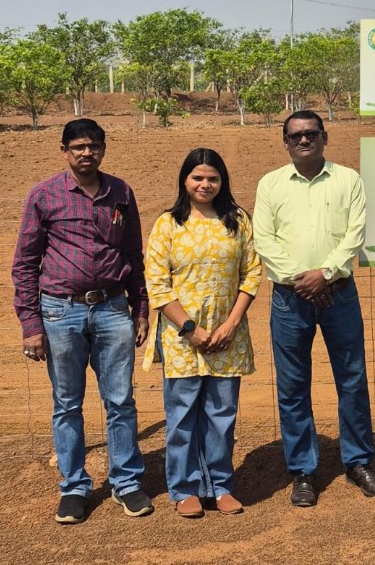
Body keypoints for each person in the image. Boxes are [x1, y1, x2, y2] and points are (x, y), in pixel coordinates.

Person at [11, 118, 153, 524]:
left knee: (120, 401)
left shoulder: (121, 192)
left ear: (103, 149)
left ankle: (126, 482)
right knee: (67, 404)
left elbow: (133, 254)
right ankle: (74, 486)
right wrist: (31, 325)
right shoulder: (44, 195)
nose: (86, 153)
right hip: (60, 312)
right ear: (64, 151)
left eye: (93, 146)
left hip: (113, 309)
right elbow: (25, 263)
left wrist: (141, 308)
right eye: (78, 147)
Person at [253, 110, 375, 507]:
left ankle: (359, 462)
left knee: (352, 379)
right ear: (285, 142)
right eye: (295, 135)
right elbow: (264, 239)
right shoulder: (270, 184)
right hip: (289, 299)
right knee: (292, 386)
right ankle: (303, 471)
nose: (303, 140)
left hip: (339, 295)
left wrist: (325, 274)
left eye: (311, 133)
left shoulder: (348, 180)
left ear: (324, 137)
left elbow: (355, 233)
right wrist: (304, 281)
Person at [144, 148, 261, 518]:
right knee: (181, 416)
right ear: (185, 180)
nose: (205, 184)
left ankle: (220, 486)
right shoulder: (168, 224)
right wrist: (190, 328)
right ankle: (184, 489)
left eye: (213, 178)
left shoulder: (237, 221)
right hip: (182, 337)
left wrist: (231, 324)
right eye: (198, 177)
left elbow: (252, 273)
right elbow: (157, 283)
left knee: (221, 414)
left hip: (228, 337)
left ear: (222, 181)